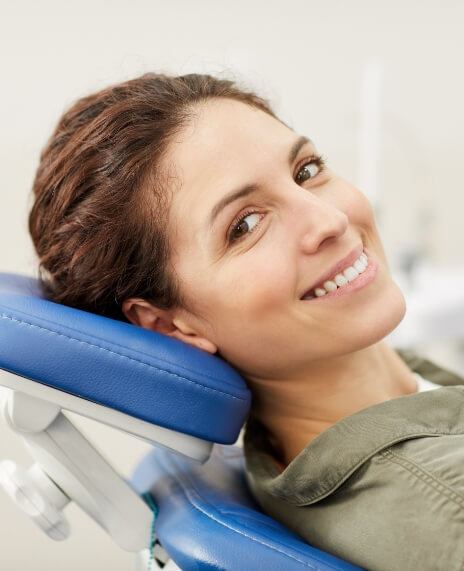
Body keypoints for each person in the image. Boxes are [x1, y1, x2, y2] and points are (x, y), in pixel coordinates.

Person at [28, 73, 464, 571]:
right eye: (246, 225)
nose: (329, 220)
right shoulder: (444, 507)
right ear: (169, 326)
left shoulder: (305, 451)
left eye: (306, 170)